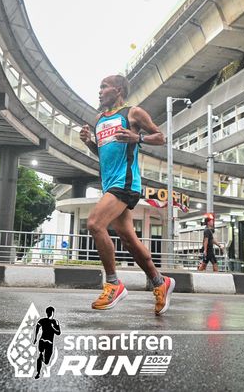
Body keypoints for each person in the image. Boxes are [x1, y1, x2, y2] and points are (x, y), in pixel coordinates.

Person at [79, 74, 175, 315]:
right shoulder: (99, 120)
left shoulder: (133, 113)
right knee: (128, 239)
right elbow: (104, 154)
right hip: (109, 184)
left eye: (104, 87)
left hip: (126, 182)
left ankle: (113, 284)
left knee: (94, 223)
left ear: (118, 90)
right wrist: (89, 142)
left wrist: (137, 137)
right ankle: (160, 282)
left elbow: (161, 137)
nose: (100, 91)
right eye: (99, 87)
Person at [32, 306, 61, 379]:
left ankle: (38, 372)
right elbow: (58, 332)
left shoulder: (42, 320)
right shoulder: (55, 322)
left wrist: (35, 338)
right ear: (52, 313)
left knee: (41, 356)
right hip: (49, 343)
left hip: (42, 341)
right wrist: (53, 327)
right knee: (46, 361)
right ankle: (39, 368)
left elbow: (37, 327)